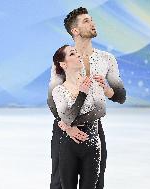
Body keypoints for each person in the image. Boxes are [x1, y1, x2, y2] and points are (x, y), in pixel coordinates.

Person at [48, 7, 126, 189]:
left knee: (96, 182)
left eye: (92, 19)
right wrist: (67, 126)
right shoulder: (65, 58)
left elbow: (120, 96)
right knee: (60, 182)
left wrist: (107, 91)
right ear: (75, 30)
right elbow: (53, 100)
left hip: (94, 127)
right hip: (63, 129)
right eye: (86, 21)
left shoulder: (107, 59)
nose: (93, 23)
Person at [52, 44, 106, 189]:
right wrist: (81, 94)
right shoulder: (59, 91)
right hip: (68, 146)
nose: (78, 55)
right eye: (72, 54)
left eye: (77, 53)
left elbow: (100, 110)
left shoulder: (93, 83)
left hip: (92, 143)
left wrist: (67, 124)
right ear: (63, 64)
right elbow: (66, 117)